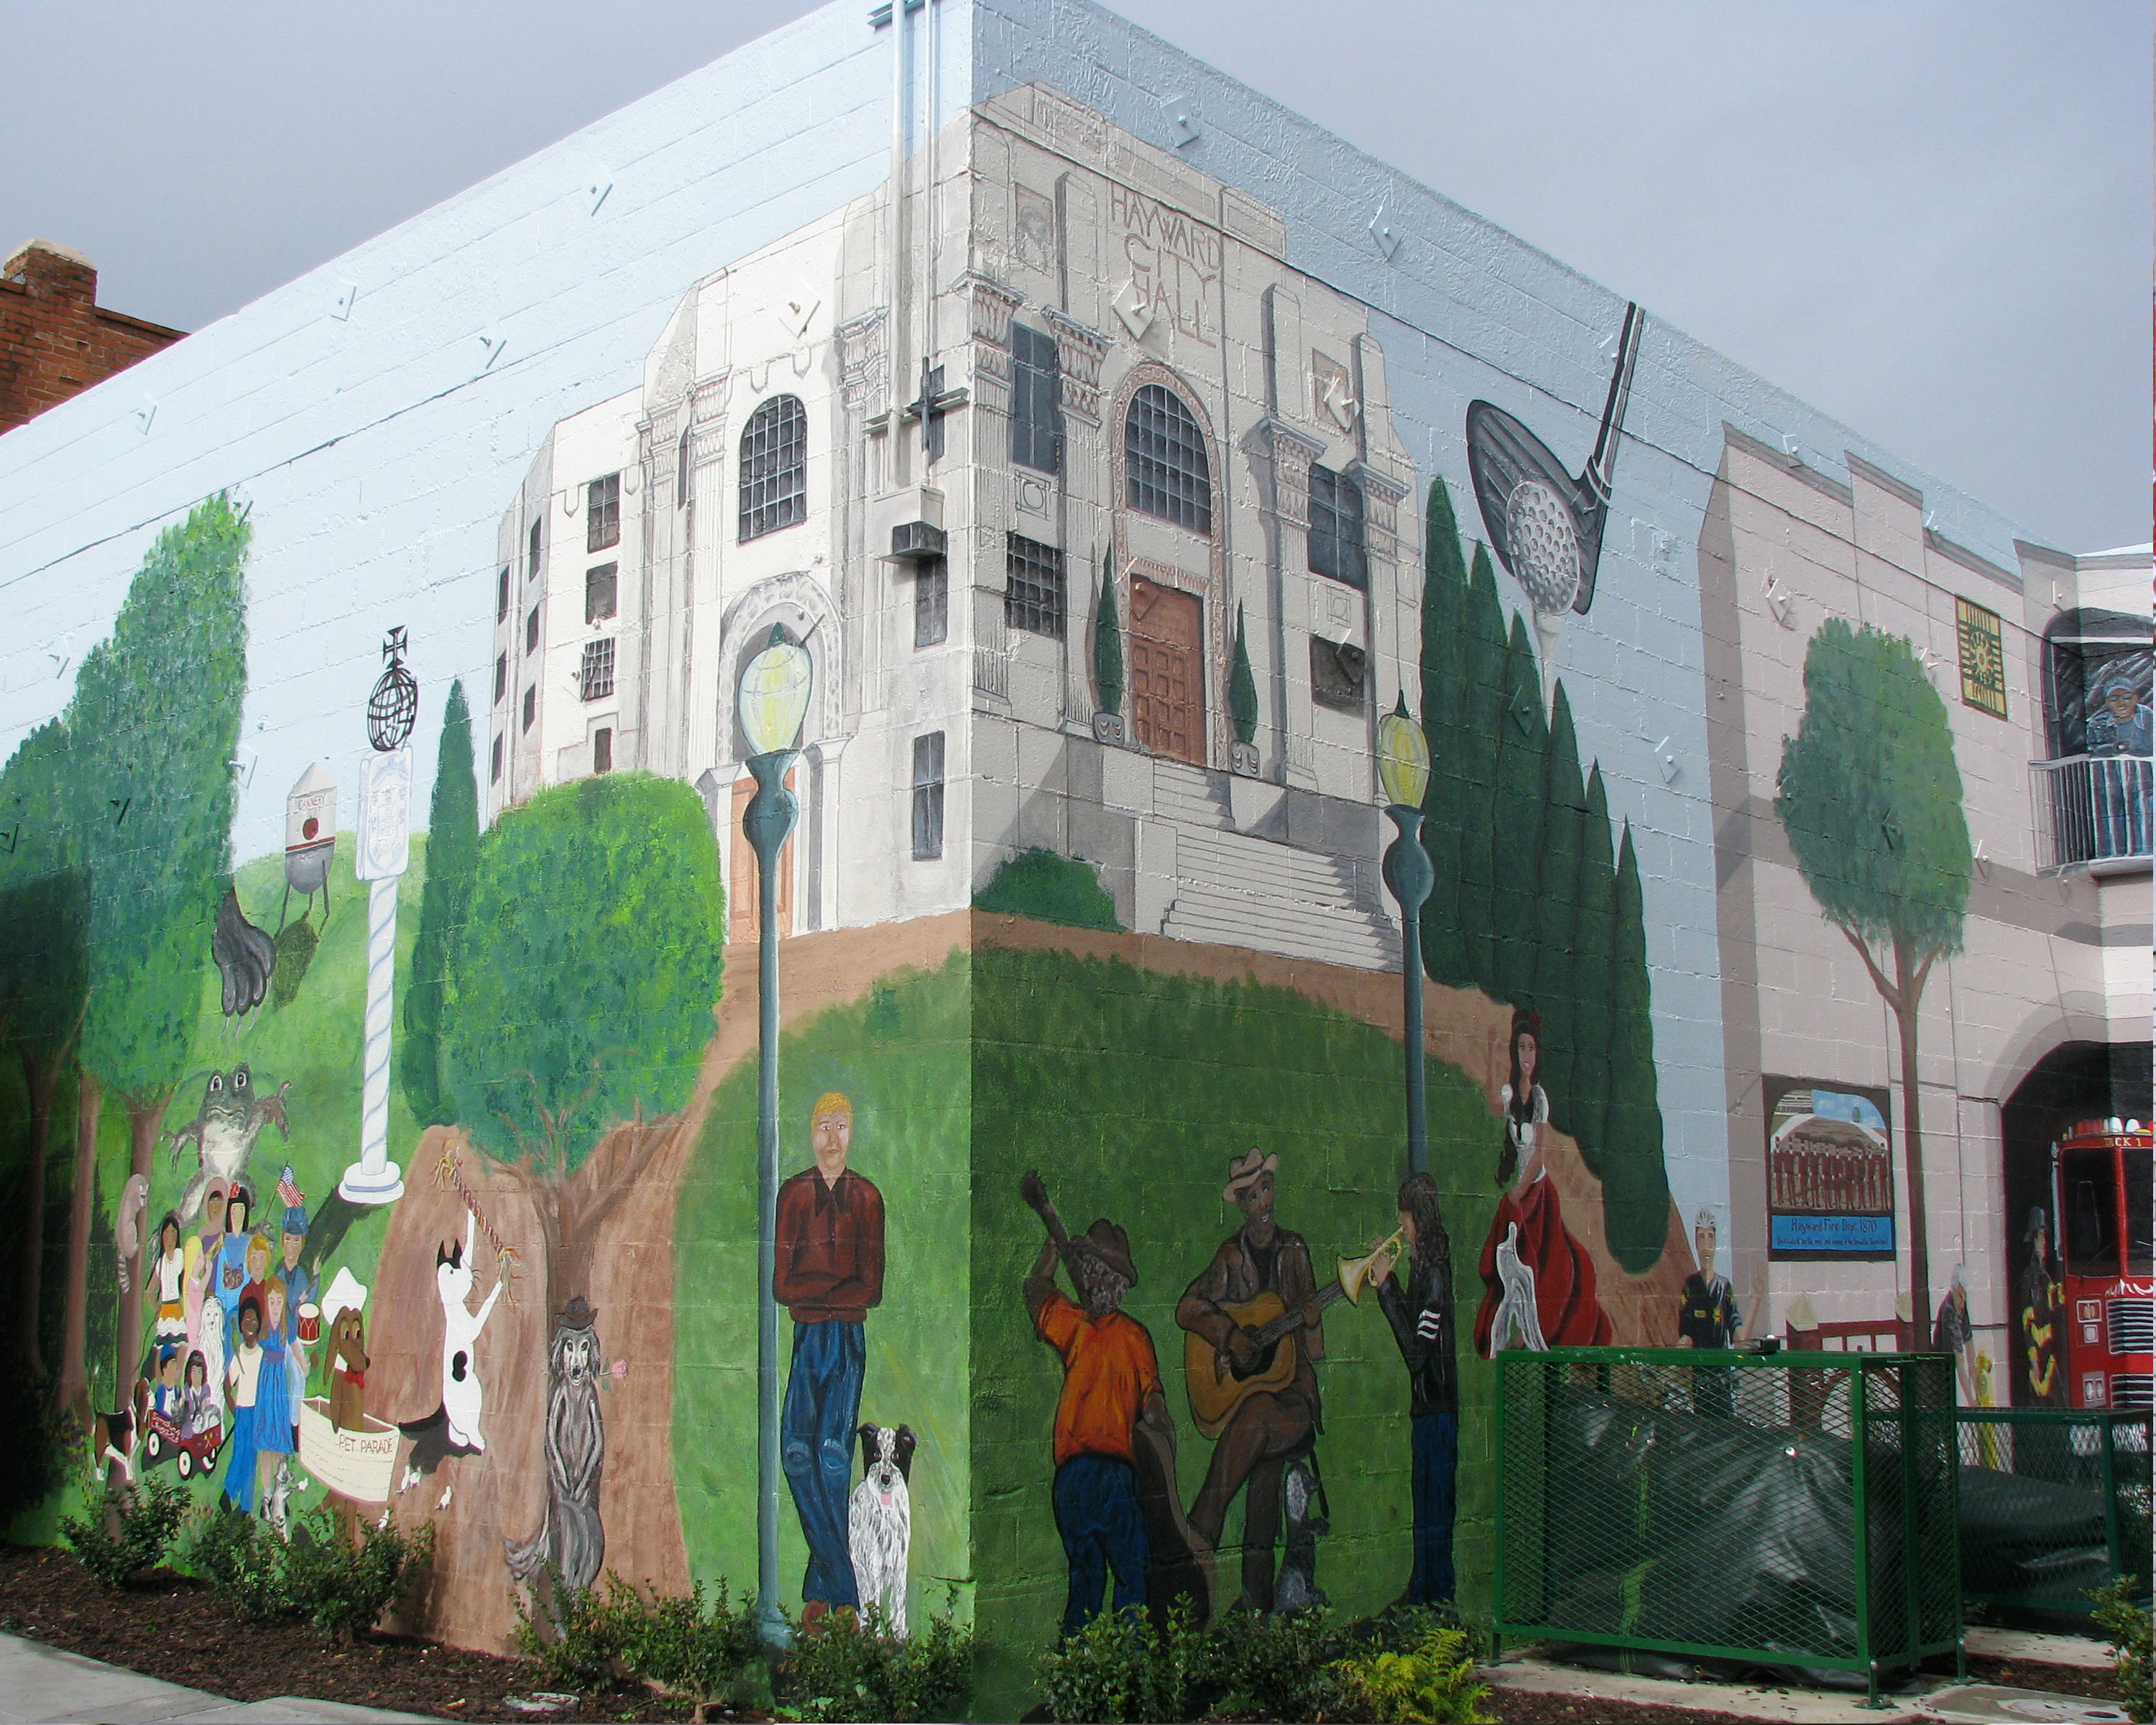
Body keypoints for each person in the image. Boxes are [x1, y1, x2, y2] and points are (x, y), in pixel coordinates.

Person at [1176, 1149, 1324, 1614]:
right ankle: (1257, 1613)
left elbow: (1315, 1352)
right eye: (1252, 1195)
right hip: (1255, 1408)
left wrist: (1312, 1323)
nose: (1263, 1201)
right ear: (1241, 1203)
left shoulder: (1295, 1250)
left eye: (1267, 1189)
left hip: (1294, 1401)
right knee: (1261, 1504)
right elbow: (1187, 1308)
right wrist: (1230, 1335)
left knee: (1258, 1413)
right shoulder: (1230, 1257)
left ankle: (1202, 1527)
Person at [1021, 1180, 1167, 1637]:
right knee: (1087, 1578)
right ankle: (1079, 1675)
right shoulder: (1075, 1326)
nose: (1102, 1282)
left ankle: (1129, 1663)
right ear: (1084, 1274)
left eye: (1111, 1275)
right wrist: (1051, 1249)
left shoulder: (1135, 1336)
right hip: (1076, 1474)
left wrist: (1157, 1416)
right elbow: (1035, 1289)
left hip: (1117, 1473)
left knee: (1131, 1572)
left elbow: (1152, 1396)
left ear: (1122, 1286)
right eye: (1094, 1271)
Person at [773, 1092, 885, 1629]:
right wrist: (834, 1288)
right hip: (807, 1340)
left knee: (834, 1454)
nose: (832, 1138)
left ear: (853, 1131)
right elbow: (782, 1285)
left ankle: (824, 1592)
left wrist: (818, 1291)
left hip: (845, 1340)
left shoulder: (867, 1198)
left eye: (842, 1126)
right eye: (823, 1127)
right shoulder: (793, 1195)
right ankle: (845, 1587)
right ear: (810, 1132)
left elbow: (872, 1289)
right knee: (796, 1452)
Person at [1473, 1009, 1612, 1356]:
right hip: (1520, 1193)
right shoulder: (1512, 1095)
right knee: (1513, 1262)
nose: (1526, 1056)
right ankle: (1513, 1324)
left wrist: (1520, 1190)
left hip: (1536, 1192)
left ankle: (1535, 1329)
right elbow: (1493, 1104)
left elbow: (1539, 1154)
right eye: (1521, 1048)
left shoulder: (1539, 1098)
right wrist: (1490, 1054)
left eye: (1532, 1049)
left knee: (1540, 1264)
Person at [1372, 1172, 1458, 1606]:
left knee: (1436, 1510)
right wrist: (1391, 1284)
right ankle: (1423, 1590)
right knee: (1424, 1508)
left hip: (1438, 1411)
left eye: (1403, 1215)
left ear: (1416, 1216)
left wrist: (1388, 1289)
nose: (1400, 1225)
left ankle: (1437, 1597)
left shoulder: (1436, 1277)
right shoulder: (1425, 1271)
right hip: (1427, 1410)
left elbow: (1416, 1354)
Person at [1677, 1208, 1742, 1418]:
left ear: (1716, 1244)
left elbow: (1735, 1325)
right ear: (1696, 1244)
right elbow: (1685, 1329)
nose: (1706, 1245)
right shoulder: (1691, 1285)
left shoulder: (1724, 1286)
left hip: (1722, 1372)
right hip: (1700, 1374)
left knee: (1724, 1422)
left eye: (1710, 1237)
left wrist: (1757, 1300)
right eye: (1701, 1238)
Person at [2088, 675, 2152, 855]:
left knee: (2145, 813)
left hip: (2144, 778)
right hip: (2112, 779)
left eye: (2126, 697)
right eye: (2114, 698)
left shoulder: (2148, 717)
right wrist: (2112, 748)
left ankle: (2146, 852)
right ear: (2107, 702)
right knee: (2112, 815)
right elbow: (2092, 749)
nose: (2121, 703)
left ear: (2136, 698)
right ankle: (2114, 854)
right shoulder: (2098, 723)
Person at [253, 1277, 297, 1504]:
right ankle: (266, 1492)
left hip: (279, 1383)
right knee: (264, 1442)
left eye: (279, 1301)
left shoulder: (286, 1326)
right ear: (266, 1302)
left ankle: (280, 1492)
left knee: (279, 1437)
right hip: (265, 1383)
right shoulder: (262, 1327)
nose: (276, 1306)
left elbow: (298, 1351)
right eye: (272, 1301)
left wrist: (306, 1365)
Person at [223, 1294, 266, 1511]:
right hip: (243, 1412)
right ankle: (228, 1493)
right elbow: (227, 1385)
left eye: (254, 1320)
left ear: (260, 1323)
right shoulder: (240, 1353)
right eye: (246, 1320)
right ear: (240, 1324)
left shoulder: (262, 1354)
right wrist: (234, 1410)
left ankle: (245, 1506)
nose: (250, 1325)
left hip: (256, 1412)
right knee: (240, 1453)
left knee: (251, 1459)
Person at [2020, 1208, 2063, 1405]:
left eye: (2046, 1237)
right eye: (2041, 1237)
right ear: (2034, 1241)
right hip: (2040, 1356)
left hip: (2050, 1352)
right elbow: (2028, 1320)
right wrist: (2034, 1361)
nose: (2044, 1243)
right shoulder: (2031, 1277)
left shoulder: (2045, 1276)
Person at [1934, 1264, 1978, 1407]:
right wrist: (1971, 1400)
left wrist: (1979, 1396)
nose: (1963, 1301)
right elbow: (1960, 1362)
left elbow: (1971, 1354)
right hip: (1940, 1368)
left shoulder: (1962, 1307)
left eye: (1965, 1296)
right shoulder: (1949, 1311)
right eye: (1960, 1295)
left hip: (1951, 1364)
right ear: (1953, 1289)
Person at [148, 1213, 187, 1344]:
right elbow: (150, 1291)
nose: (170, 1238)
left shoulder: (180, 1257)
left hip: (177, 1308)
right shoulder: (161, 1262)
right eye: (167, 1234)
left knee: (180, 1343)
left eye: (173, 1233)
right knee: (163, 1346)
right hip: (165, 1309)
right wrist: (158, 1309)